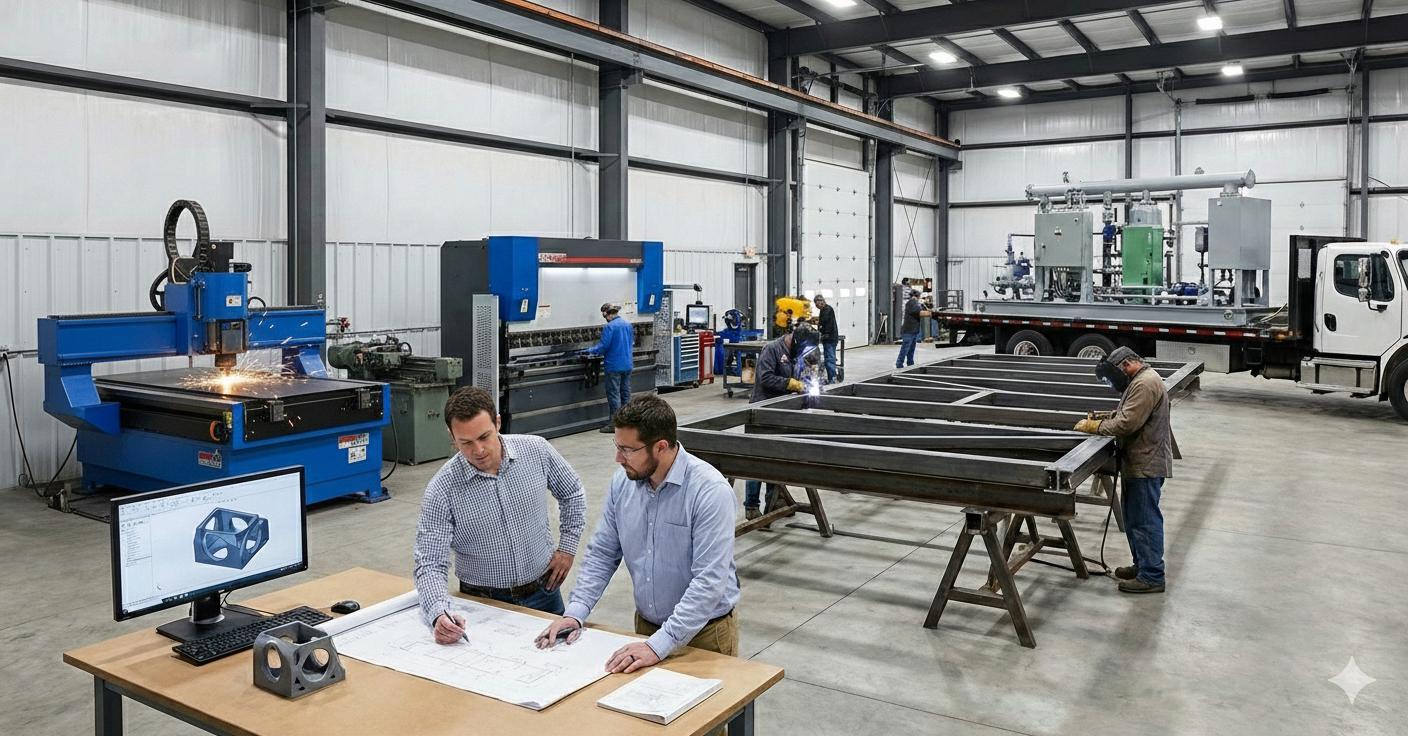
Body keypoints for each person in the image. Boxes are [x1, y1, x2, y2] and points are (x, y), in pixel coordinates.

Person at [536, 394, 740, 674]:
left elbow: (709, 581)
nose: (618, 458)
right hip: (645, 630)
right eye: (617, 446)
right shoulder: (622, 484)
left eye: (628, 450)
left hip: (703, 635)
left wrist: (661, 644)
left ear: (661, 447)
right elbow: (603, 553)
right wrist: (576, 612)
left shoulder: (709, 492)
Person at [414, 387, 587, 644]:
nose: (478, 450)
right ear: (451, 436)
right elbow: (429, 562)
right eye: (466, 442)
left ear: (497, 422)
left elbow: (572, 492)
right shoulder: (442, 489)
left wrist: (568, 548)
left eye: (484, 436)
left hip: (544, 594)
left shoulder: (537, 451)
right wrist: (438, 612)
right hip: (482, 605)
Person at [1074, 347, 1175, 594]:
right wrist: (1100, 417)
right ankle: (1143, 566)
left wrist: (1095, 427)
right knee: (1134, 519)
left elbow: (1128, 423)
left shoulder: (1144, 384)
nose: (1113, 382)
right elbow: (1125, 413)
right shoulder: (1140, 381)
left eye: (1115, 375)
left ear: (1128, 363)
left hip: (1146, 463)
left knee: (1144, 521)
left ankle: (1152, 576)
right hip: (1139, 461)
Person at [743, 323, 818, 520]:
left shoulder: (798, 353)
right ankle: (751, 505)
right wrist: (790, 384)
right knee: (757, 460)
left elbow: (802, 374)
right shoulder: (772, 349)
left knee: (776, 457)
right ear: (793, 340)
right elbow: (765, 378)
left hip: (781, 414)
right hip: (761, 412)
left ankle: (773, 499)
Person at [586, 302, 635, 433]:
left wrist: (588, 351)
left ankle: (614, 424)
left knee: (614, 395)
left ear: (606, 314)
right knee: (625, 393)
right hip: (627, 364)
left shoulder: (610, 327)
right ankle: (627, 423)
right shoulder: (628, 325)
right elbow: (631, 343)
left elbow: (603, 347)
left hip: (614, 366)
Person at [896, 289, 929, 369]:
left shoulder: (914, 303)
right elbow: (919, 312)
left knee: (911, 349)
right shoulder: (911, 303)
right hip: (909, 330)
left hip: (913, 330)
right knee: (905, 348)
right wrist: (926, 309)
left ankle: (910, 363)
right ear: (915, 296)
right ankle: (899, 363)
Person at [814, 294, 840, 384]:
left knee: (829, 359)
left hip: (830, 338)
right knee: (829, 358)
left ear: (822, 302)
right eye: (816, 305)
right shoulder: (823, 310)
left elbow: (825, 324)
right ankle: (831, 377)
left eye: (818, 304)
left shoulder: (827, 310)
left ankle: (833, 378)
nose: (817, 306)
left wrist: (822, 334)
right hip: (828, 338)